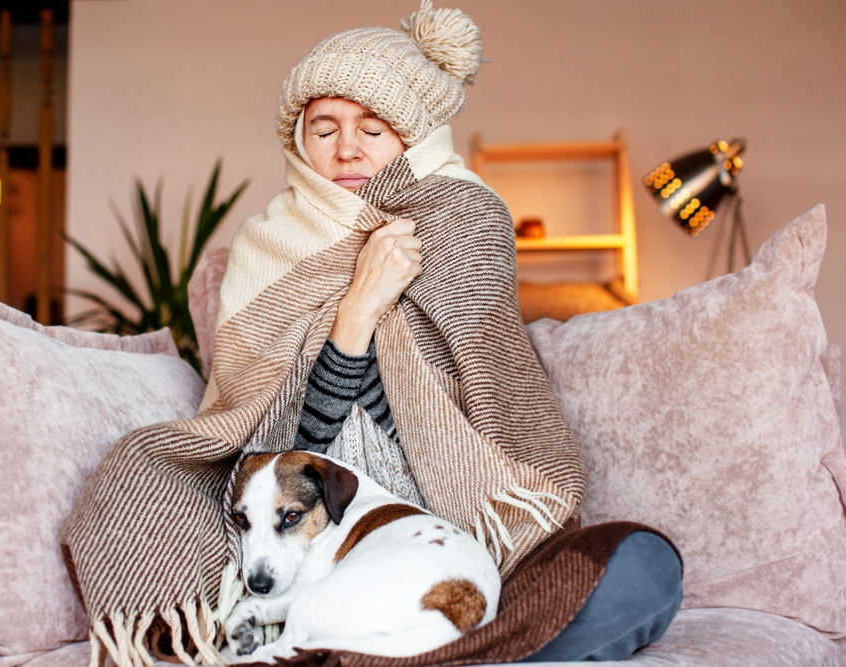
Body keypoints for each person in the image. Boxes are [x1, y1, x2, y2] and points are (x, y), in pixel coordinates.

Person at [62, 3, 681, 664]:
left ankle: (394, 647)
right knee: (136, 474)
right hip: (312, 536)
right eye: (323, 128)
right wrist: (357, 314)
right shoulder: (265, 250)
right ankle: (452, 651)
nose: (347, 149)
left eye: (372, 127)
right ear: (298, 142)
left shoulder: (468, 222)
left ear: (411, 136)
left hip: (472, 535)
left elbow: (493, 403)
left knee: (641, 566)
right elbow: (282, 458)